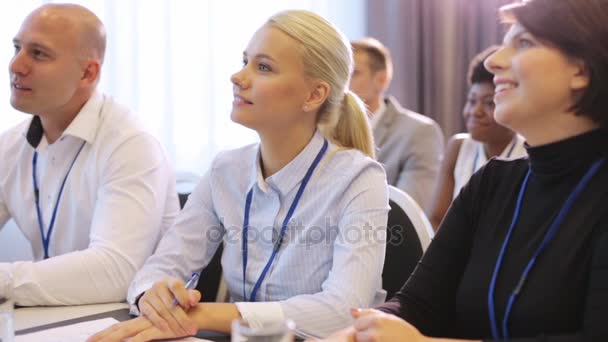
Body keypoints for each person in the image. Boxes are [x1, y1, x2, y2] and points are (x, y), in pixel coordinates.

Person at [89, 9, 389, 342]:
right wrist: (153, 295)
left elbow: (343, 311)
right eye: (245, 61)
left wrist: (206, 314)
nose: (238, 76)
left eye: (263, 67)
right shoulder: (225, 170)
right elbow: (162, 265)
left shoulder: (360, 179)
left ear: (314, 95)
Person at [321, 0, 608, 341]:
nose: (493, 60)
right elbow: (418, 304)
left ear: (583, 68)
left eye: (524, 42)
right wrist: (364, 330)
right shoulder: (492, 183)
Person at [0, 4, 179, 305]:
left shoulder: (131, 143)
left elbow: (114, 273)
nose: (16, 65)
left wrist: (5, 279)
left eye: (39, 53)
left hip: (123, 322)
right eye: (17, 48)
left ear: (88, 73)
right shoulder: (11, 145)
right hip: (51, 321)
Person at [428, 46, 526, 229]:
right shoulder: (458, 147)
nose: (475, 111)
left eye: (489, 103)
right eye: (472, 101)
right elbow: (436, 218)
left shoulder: (527, 154)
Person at [350, 37, 444, 211]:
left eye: (354, 73)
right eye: (341, 72)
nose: (343, 82)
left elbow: (406, 212)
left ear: (381, 79)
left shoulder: (419, 132)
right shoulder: (323, 130)